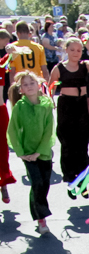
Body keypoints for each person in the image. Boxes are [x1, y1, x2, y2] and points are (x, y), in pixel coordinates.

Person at [50, 36, 89, 189]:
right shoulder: (59, 68)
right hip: (66, 105)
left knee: (81, 142)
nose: (76, 52)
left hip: (81, 105)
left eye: (79, 50)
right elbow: (50, 87)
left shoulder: (85, 65)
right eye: (72, 49)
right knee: (67, 143)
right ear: (66, 50)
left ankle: (83, 175)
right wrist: (50, 102)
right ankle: (69, 176)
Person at [7, 71, 55, 235]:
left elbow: (49, 130)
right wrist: (20, 153)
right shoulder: (19, 107)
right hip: (28, 154)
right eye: (25, 84)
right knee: (37, 182)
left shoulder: (46, 104)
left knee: (44, 184)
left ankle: (39, 211)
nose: (29, 86)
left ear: (39, 84)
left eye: (32, 83)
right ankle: (41, 219)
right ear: (20, 89)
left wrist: (40, 151)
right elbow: (12, 131)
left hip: (44, 153)